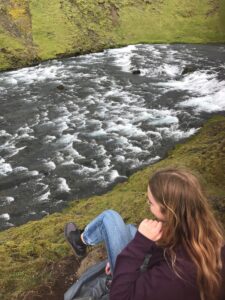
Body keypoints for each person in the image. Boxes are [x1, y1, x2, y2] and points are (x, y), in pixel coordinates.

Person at [65, 167, 225, 300]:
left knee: (110, 217)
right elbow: (165, 254)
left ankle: (80, 241)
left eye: (150, 202)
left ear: (168, 209)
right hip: (162, 271)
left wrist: (136, 248)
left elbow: (120, 296)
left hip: (132, 287)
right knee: (129, 229)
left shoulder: (174, 276)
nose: (148, 204)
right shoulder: (209, 234)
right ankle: (81, 240)